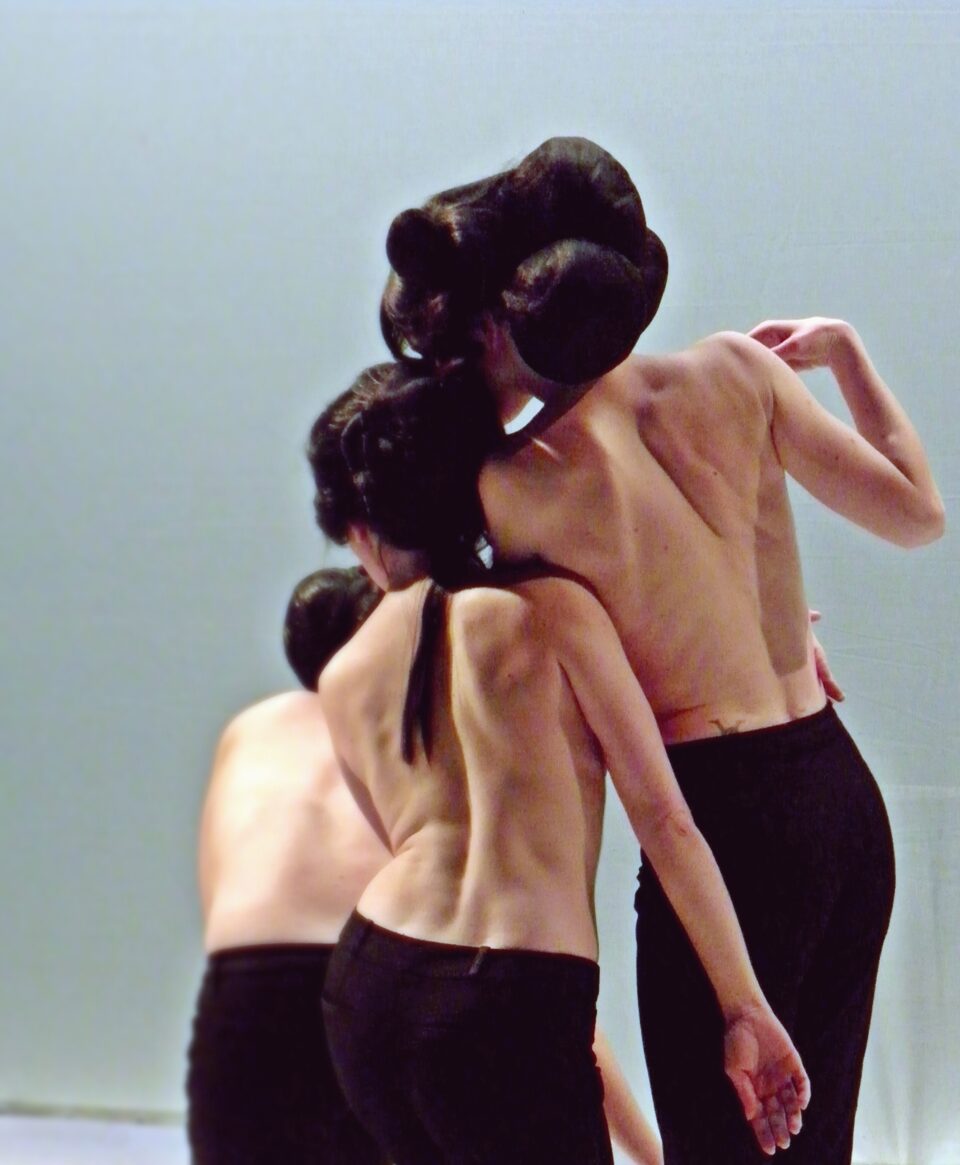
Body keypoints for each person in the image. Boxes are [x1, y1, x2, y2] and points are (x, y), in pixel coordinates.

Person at [376, 137, 946, 1164]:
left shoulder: (514, 486)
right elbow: (917, 515)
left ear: (504, 320)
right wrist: (847, 352)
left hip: (727, 834)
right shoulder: (736, 370)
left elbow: (488, 641)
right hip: (842, 798)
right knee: (819, 1145)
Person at [307, 367, 809, 1165]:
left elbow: (404, 848)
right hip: (512, 999)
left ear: (367, 530)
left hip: (372, 984)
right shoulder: (553, 614)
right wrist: (743, 1003)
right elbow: (667, 821)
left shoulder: (342, 676)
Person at [185, 567, 391, 1165]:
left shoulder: (248, 730)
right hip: (365, 979)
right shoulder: (404, 726)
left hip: (247, 985)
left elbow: (217, 892)